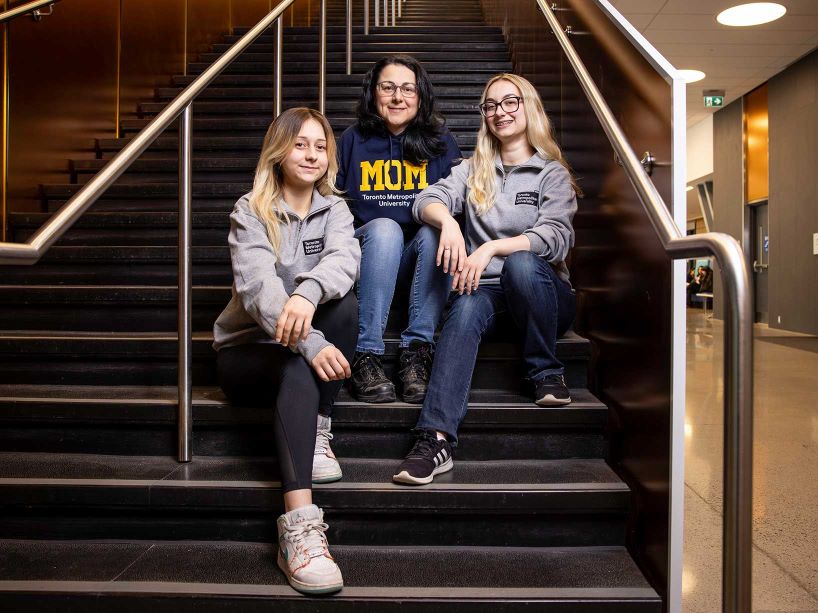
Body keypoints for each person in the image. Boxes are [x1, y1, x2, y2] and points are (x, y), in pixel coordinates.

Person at [393, 74, 580, 485]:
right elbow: (425, 199)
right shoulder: (472, 170)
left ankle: (545, 371)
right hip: (489, 296)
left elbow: (556, 238)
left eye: (510, 102)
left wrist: (493, 248)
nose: (500, 112)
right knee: (463, 310)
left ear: (528, 107)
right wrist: (449, 224)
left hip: (544, 296)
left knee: (521, 264)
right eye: (491, 105)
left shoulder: (551, 173)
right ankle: (435, 439)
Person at [212, 108, 360, 594]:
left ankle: (319, 426)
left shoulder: (335, 209)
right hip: (246, 353)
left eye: (321, 146)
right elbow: (258, 291)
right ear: (279, 151)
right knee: (299, 360)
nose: (312, 154)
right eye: (301, 144)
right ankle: (298, 529)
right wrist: (311, 341)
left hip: (298, 349)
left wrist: (309, 291)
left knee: (343, 306)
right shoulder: (249, 210)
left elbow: (345, 259)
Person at [336, 55, 462, 403]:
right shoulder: (352, 140)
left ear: (419, 96)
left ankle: (416, 353)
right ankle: (366, 354)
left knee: (434, 230)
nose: (397, 97)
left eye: (407, 89)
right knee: (386, 229)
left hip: (423, 264)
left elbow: (463, 198)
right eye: (387, 88)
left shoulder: (440, 141)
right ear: (373, 93)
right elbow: (332, 202)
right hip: (370, 255)